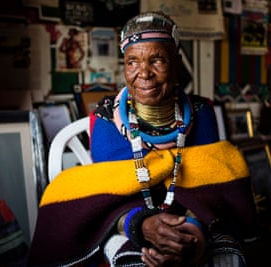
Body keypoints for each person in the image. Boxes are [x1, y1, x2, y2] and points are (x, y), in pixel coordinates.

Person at [29, 12, 257, 266]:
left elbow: (208, 190)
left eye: (157, 60)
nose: (144, 73)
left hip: (191, 218)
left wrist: (192, 233)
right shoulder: (105, 119)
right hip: (126, 220)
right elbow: (112, 195)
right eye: (132, 62)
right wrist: (142, 225)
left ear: (176, 62)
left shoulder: (201, 112)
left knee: (227, 256)